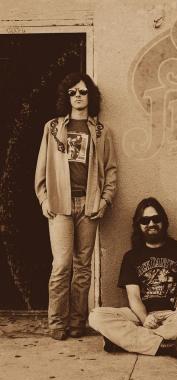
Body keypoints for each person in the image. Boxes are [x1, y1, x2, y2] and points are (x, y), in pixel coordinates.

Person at [35, 72, 117, 340]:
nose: (78, 96)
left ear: (91, 96)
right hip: (60, 204)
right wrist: (44, 198)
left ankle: (77, 322)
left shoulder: (101, 131)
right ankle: (57, 323)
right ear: (66, 96)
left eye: (83, 91)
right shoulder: (53, 128)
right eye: (72, 92)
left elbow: (111, 170)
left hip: (89, 204)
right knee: (62, 265)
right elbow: (42, 168)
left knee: (83, 268)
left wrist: (105, 200)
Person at [89, 197, 177, 359]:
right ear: (139, 225)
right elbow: (134, 296)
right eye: (145, 220)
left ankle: (123, 342)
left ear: (164, 221)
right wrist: (145, 319)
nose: (151, 224)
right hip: (139, 315)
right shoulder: (131, 257)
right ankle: (164, 345)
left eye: (156, 219)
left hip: (173, 315)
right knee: (96, 315)